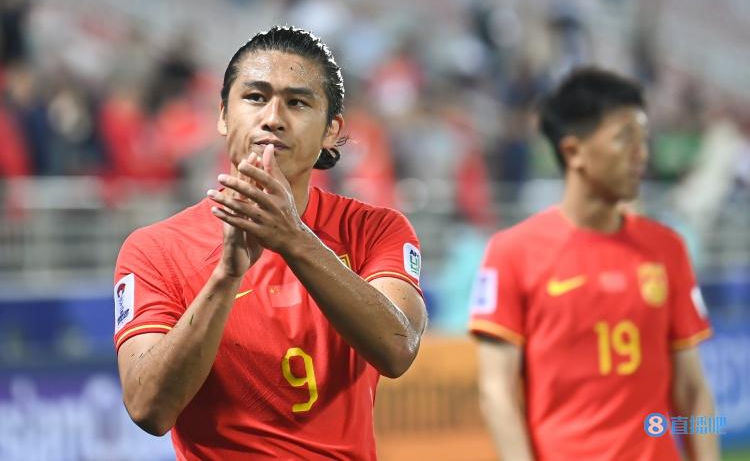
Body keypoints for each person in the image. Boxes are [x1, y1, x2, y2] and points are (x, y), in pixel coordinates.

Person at [113, 26, 427, 460]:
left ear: (331, 131)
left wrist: (294, 239)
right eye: (255, 97)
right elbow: (148, 409)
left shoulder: (376, 230)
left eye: (297, 102)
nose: (273, 117)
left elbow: (398, 349)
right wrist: (227, 275)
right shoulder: (154, 250)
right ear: (223, 115)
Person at [469, 67, 718, 461]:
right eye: (624, 138)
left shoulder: (667, 249)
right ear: (574, 152)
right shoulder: (512, 253)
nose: (642, 154)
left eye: (644, 139)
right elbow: (496, 392)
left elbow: (692, 391)